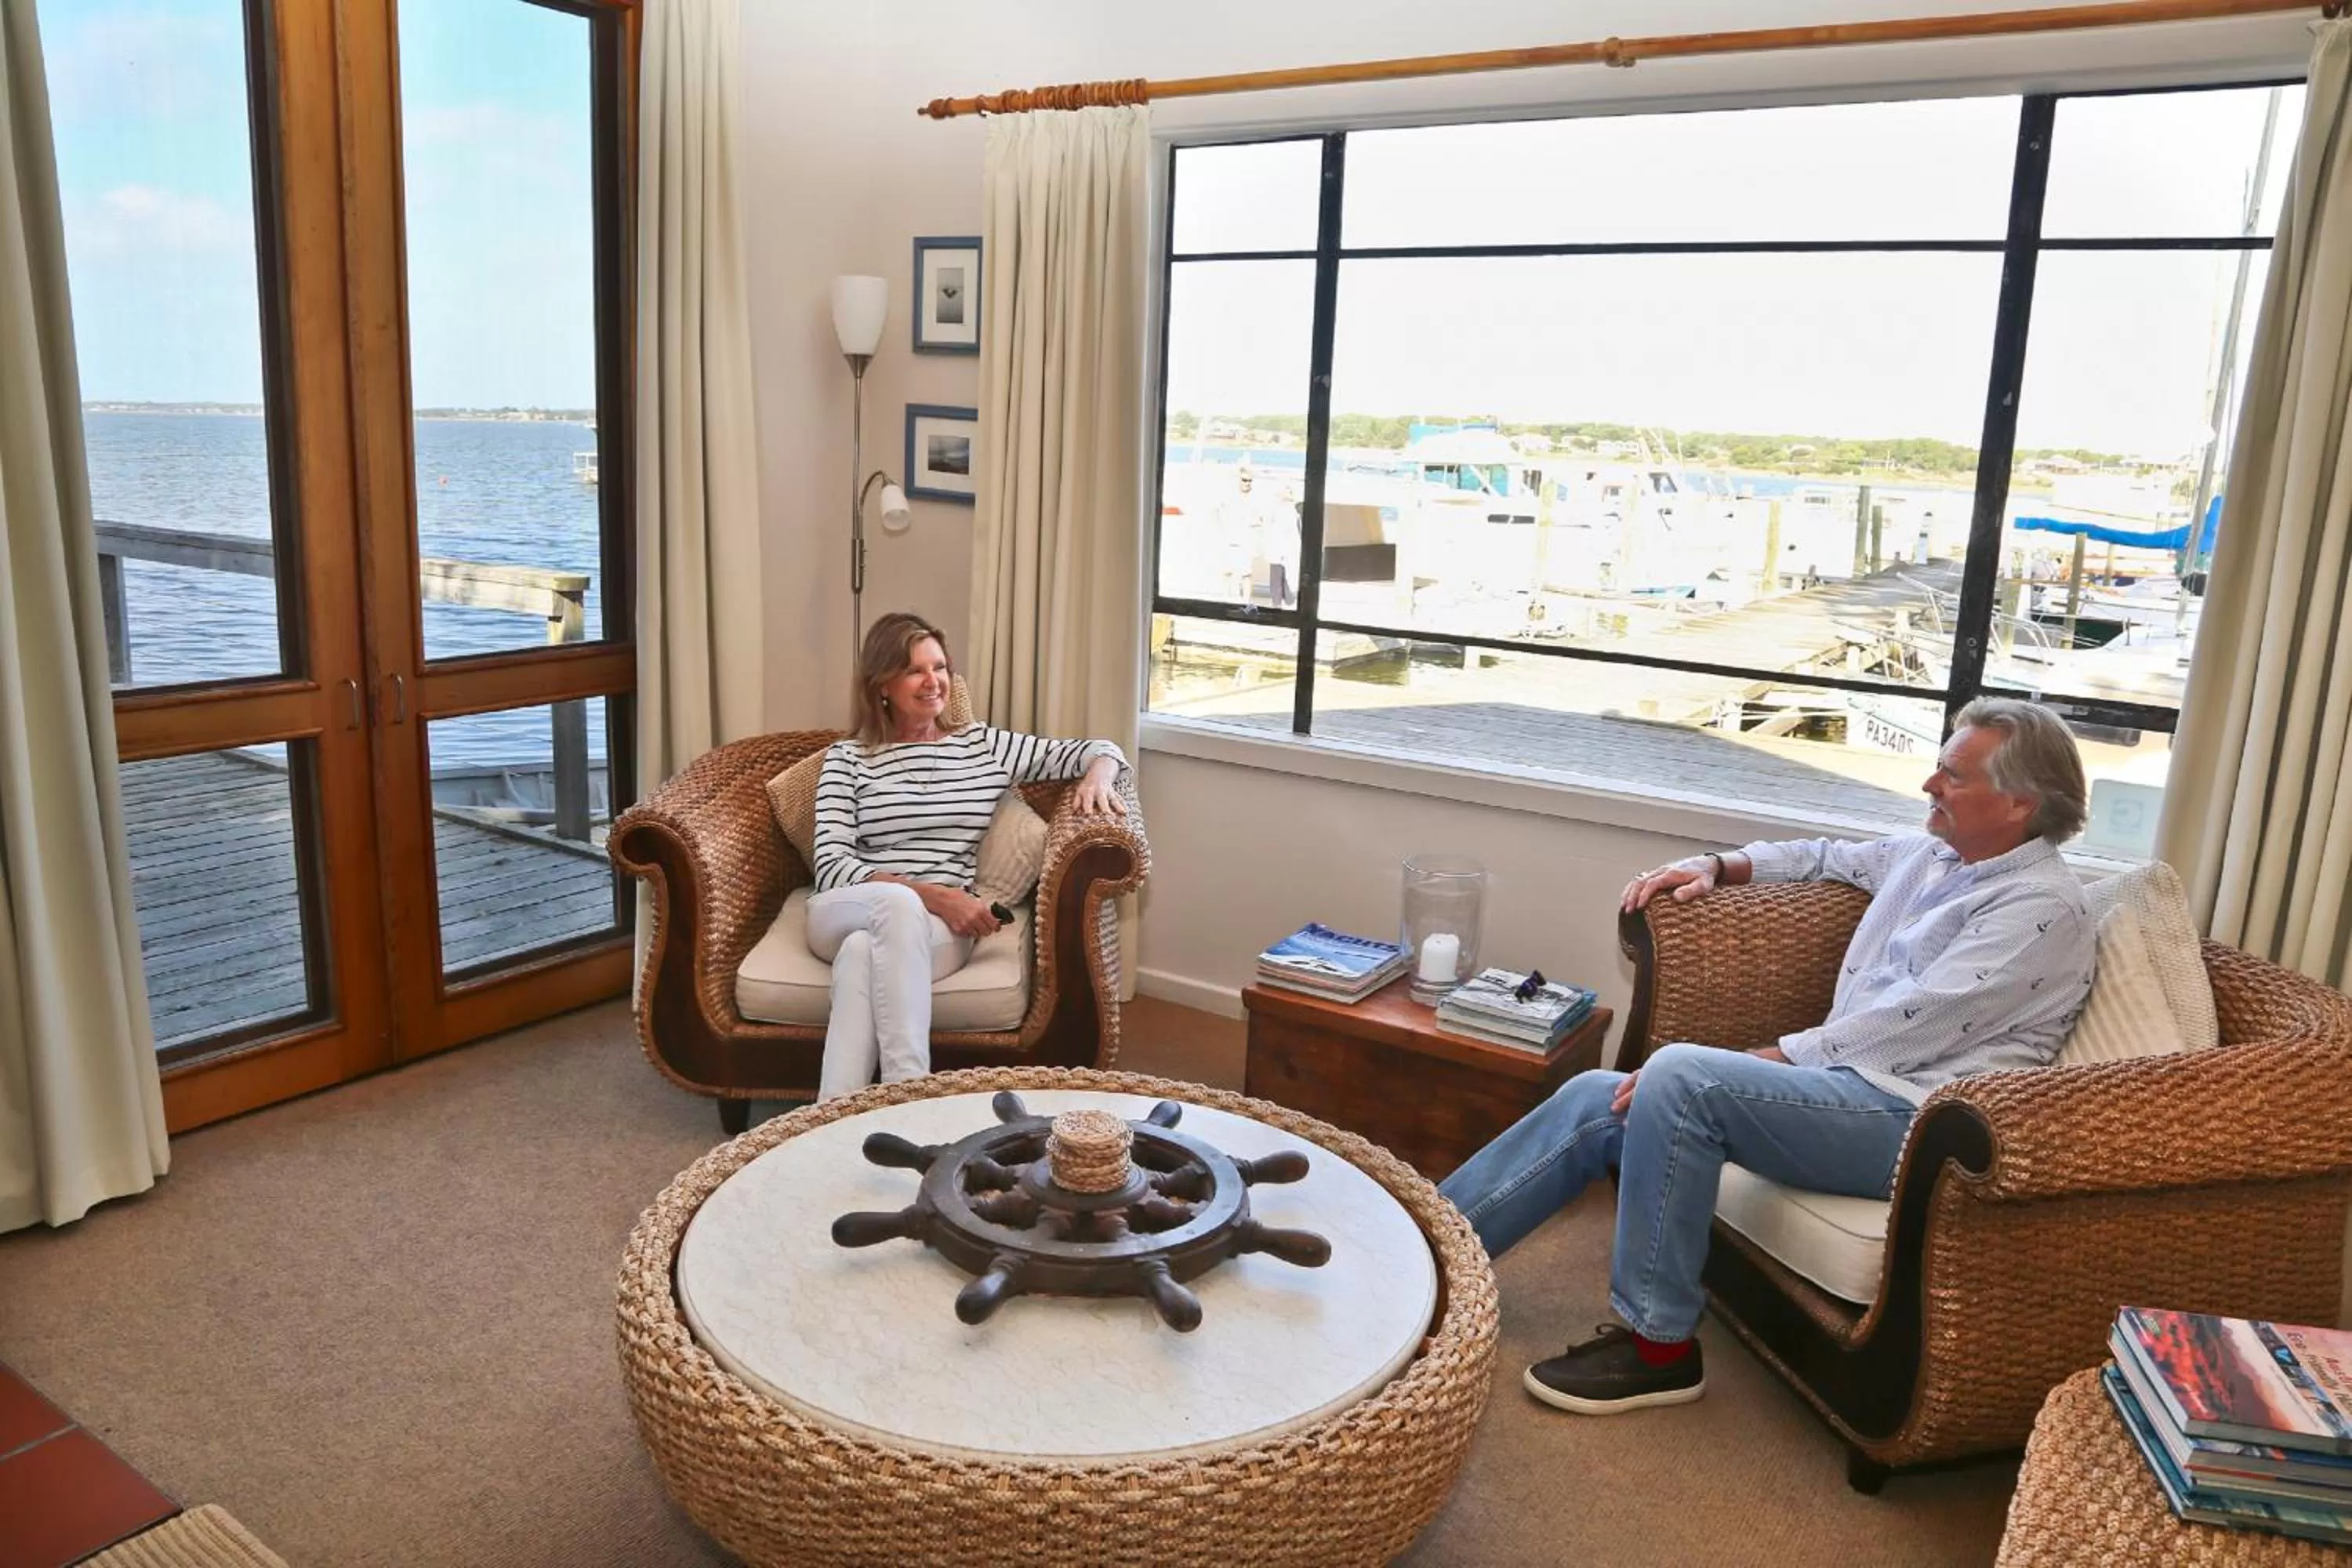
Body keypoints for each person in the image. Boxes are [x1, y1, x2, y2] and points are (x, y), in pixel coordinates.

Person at [1436, 697, 2097, 1417]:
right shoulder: (1934, 855)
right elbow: (1824, 856)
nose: (1929, 786)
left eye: (1952, 776)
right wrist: (1717, 864)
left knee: (1681, 1079)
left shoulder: (2039, 908)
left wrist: (1756, 1059)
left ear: (2019, 803)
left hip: (1920, 1122)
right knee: (1600, 1097)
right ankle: (1432, 1252)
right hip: (1850, 1088)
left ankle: (1659, 1351)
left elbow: (1908, 1026)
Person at [808, 612, 1127, 1101]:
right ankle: (907, 1097)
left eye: (939, 667)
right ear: (882, 685)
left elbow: (1097, 750)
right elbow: (831, 868)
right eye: (916, 670)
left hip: (935, 934)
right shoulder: (846, 759)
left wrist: (1099, 777)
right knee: (896, 905)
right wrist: (937, 897)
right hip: (850, 908)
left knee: (860, 958)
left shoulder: (983, 746)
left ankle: (829, 1120)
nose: (933, 681)